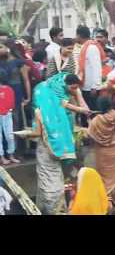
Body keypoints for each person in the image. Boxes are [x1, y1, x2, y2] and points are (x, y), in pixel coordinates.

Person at [29, 73, 91, 214]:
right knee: (50, 179)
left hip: (61, 137)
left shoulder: (65, 87)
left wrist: (77, 94)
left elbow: (80, 106)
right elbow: (67, 105)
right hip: (51, 142)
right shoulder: (46, 104)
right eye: (73, 88)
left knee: (53, 178)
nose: (74, 90)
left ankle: (52, 207)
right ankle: (53, 208)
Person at [87, 96, 115, 207]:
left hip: (102, 154)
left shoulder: (96, 121)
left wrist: (89, 122)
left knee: (104, 178)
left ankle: (106, 202)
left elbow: (90, 135)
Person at [0, 40, 31, 131]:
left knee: (15, 117)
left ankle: (17, 142)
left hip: (16, 92)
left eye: (0, 47)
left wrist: (28, 98)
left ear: (8, 49)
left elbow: (26, 81)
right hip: (3, 92)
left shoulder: (19, 62)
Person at [76, 26, 104, 126]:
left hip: (92, 88)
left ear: (79, 35)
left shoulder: (91, 47)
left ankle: (94, 136)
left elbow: (97, 67)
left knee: (93, 114)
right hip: (85, 86)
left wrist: (95, 86)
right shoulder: (85, 46)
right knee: (85, 114)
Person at [0, 69, 18, 165]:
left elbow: (11, 104)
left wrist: (7, 110)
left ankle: (11, 155)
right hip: (5, 114)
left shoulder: (9, 89)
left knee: (9, 136)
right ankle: (2, 157)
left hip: (7, 114)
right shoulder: (9, 89)